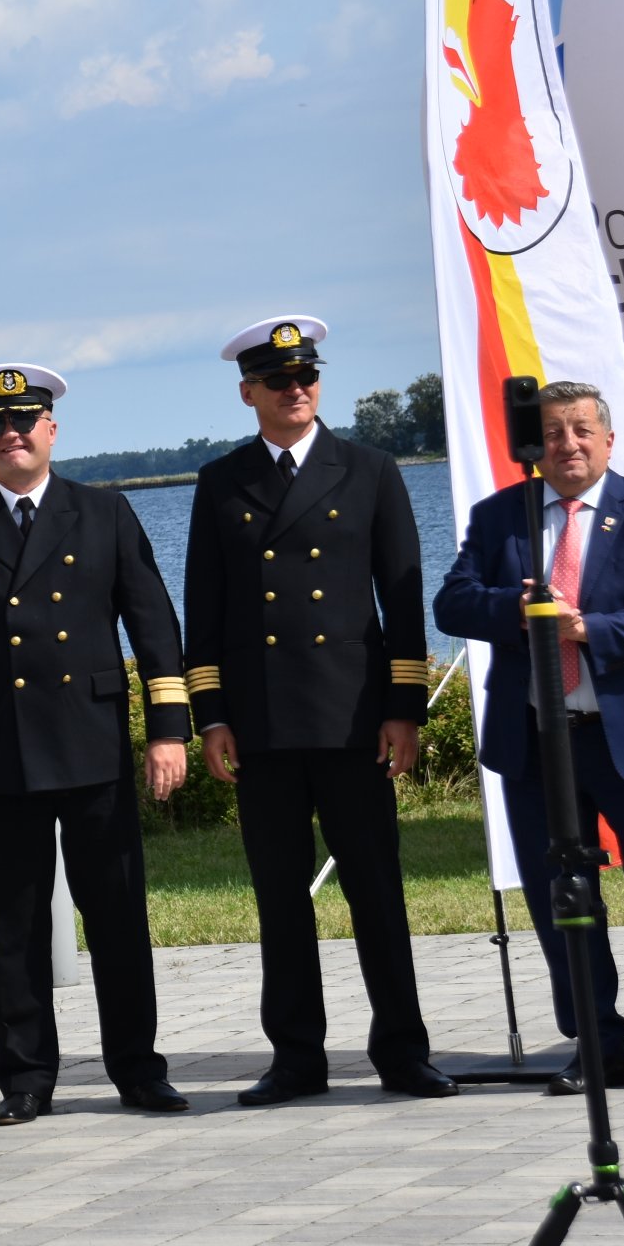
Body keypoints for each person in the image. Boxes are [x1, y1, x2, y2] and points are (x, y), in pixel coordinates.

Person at [0, 364, 191, 1127]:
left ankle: (138, 1067)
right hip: (3, 751)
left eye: (24, 420)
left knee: (119, 914)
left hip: (93, 745)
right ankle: (26, 1078)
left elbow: (156, 630)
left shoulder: (103, 512)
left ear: (52, 429)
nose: (12, 435)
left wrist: (168, 730)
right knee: (19, 924)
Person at [183, 316, 456, 1106]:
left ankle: (403, 1049)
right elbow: (204, 608)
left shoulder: (368, 469)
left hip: (351, 720)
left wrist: (405, 707)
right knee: (280, 895)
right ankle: (297, 1055)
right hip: (263, 724)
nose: (296, 388)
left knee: (376, 887)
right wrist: (211, 713)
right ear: (249, 393)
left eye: (307, 375)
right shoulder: (220, 481)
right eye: (278, 380)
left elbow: (401, 598)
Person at [434, 380, 624, 1094]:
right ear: (536, 445)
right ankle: (597, 1043)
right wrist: (522, 606)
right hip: (537, 741)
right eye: (554, 432)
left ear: (608, 438)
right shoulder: (503, 516)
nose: (568, 444)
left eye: (582, 430)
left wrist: (589, 628)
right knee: (562, 897)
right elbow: (453, 602)